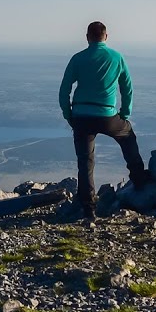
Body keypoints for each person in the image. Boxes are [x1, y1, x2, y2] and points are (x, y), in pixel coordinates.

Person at [58, 21, 148, 219]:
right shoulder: (116, 57)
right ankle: (140, 179)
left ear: (87, 37)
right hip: (108, 116)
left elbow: (64, 89)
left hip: (81, 116)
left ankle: (88, 208)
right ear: (106, 37)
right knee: (127, 136)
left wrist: (68, 115)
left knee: (85, 161)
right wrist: (125, 113)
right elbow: (127, 87)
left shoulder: (78, 58)